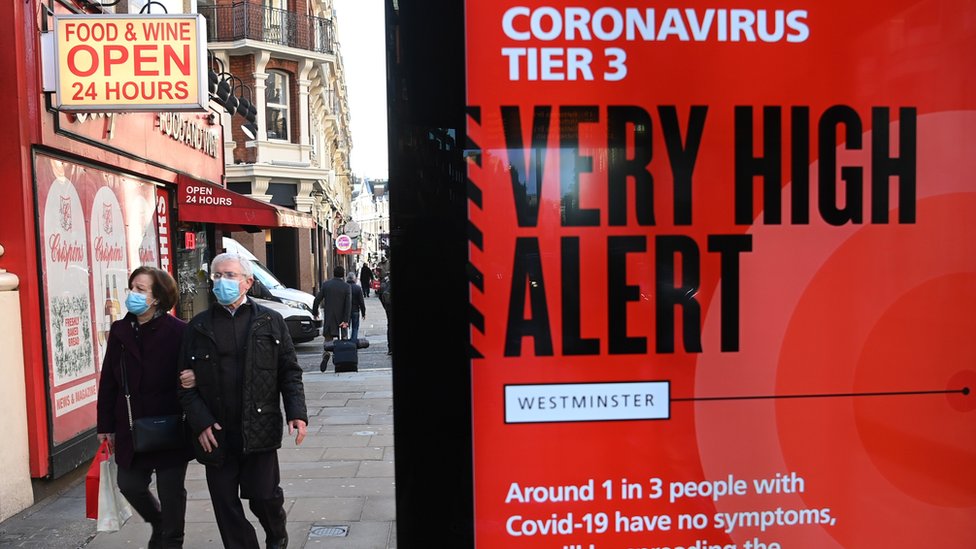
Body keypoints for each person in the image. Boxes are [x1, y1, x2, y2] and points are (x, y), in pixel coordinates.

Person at [178, 253, 308, 549]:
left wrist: (296, 412)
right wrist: (201, 421)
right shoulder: (197, 328)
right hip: (216, 432)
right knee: (226, 507)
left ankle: (277, 534)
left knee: (264, 497)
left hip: (259, 426)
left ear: (248, 282)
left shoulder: (271, 321)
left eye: (230, 275)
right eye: (216, 276)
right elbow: (183, 385)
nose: (222, 281)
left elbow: (289, 372)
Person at [96, 266, 190, 549]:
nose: (133, 294)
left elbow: (197, 370)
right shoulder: (121, 330)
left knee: (172, 491)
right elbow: (109, 381)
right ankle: (158, 521)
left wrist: (193, 377)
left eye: (141, 289)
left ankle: (172, 540)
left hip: (171, 424)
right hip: (130, 424)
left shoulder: (179, 331)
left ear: (158, 297)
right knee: (129, 484)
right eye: (132, 288)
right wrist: (105, 426)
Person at [312, 266, 351, 371]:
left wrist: (315, 312)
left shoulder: (326, 285)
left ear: (333, 273)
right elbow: (348, 306)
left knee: (328, 340)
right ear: (343, 274)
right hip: (342, 320)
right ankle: (338, 359)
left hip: (329, 319)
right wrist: (346, 321)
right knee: (342, 341)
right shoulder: (346, 287)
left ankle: (326, 354)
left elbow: (317, 300)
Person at [346, 272, 366, 342]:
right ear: (354, 279)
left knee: (345, 327)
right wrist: (363, 313)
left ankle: (345, 342)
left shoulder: (344, 287)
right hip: (355, 310)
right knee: (355, 327)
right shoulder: (357, 288)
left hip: (345, 311)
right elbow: (361, 302)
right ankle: (353, 342)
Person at [379, 275, 392, 356]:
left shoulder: (385, 283)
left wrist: (385, 307)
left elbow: (381, 296)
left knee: (390, 326)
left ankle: (390, 348)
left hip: (388, 308)